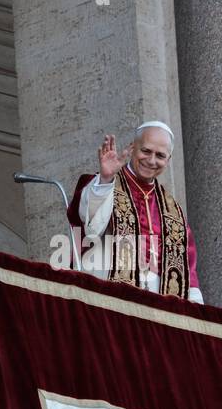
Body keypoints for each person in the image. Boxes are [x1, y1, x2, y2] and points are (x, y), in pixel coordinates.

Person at [66, 121, 203, 303]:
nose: (152, 160)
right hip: (108, 297)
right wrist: (106, 179)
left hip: (159, 308)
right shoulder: (103, 185)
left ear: (168, 160)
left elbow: (188, 273)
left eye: (160, 155)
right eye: (146, 151)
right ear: (132, 148)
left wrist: (194, 317)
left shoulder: (174, 212)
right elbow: (90, 228)